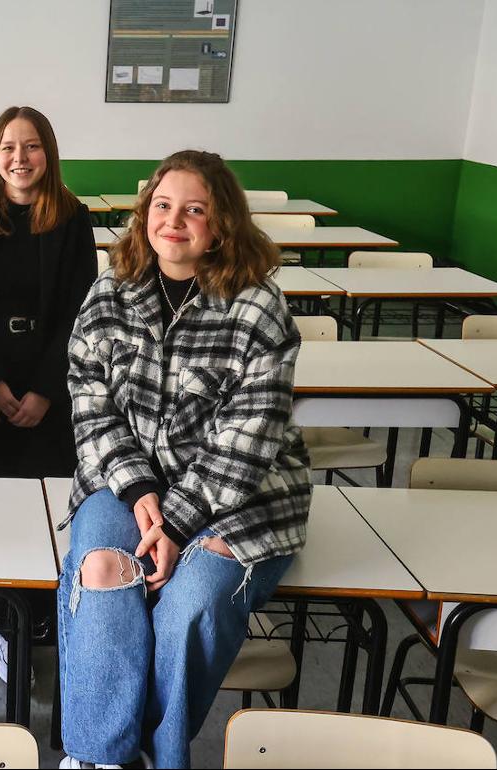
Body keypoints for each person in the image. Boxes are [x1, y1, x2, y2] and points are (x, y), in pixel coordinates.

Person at [56, 150, 312, 769]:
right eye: (162, 206)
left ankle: (147, 753)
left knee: (190, 604)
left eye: (194, 210)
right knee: (103, 571)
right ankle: (101, 758)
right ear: (146, 216)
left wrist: (172, 524)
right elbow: (90, 404)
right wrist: (141, 493)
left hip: (241, 499)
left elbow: (246, 444)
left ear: (221, 225)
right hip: (122, 484)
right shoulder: (110, 293)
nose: (174, 221)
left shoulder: (258, 309)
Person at [0, 104, 97, 678]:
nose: (19, 158)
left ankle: (36, 617)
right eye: (9, 147)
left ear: (48, 154)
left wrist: (46, 390)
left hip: (50, 391)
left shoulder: (74, 219)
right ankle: (2, 617)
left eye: (31, 147)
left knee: (47, 507)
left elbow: (82, 309)